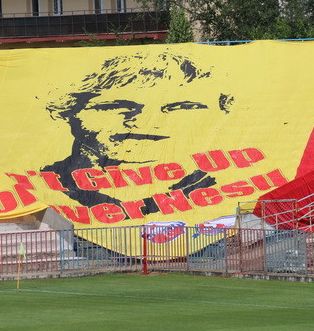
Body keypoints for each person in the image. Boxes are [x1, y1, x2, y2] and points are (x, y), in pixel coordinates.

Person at [43, 51, 234, 211]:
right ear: (68, 112)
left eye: (182, 107)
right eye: (116, 106)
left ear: (221, 112)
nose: (144, 124)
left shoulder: (229, 181)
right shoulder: (41, 186)